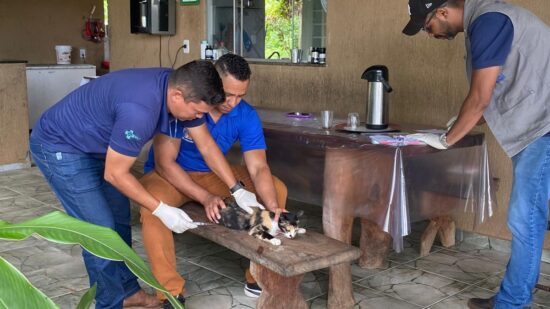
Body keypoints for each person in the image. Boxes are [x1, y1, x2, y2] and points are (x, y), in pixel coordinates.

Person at [29, 60, 263, 309]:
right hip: (61, 148)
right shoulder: (139, 110)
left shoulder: (182, 91)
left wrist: (236, 189)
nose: (199, 119)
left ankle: (128, 293)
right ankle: (109, 304)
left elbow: (206, 145)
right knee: (100, 230)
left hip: (99, 148)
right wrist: (162, 209)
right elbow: (116, 174)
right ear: (176, 96)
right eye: (197, 113)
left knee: (119, 221)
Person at [402, 0, 550, 308]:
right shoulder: (484, 21)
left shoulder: (490, 21)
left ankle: (511, 302)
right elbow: (492, 91)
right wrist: (461, 122)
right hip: (536, 129)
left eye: (428, 27)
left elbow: (480, 97)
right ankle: (516, 292)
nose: (430, 35)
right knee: (533, 217)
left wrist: (447, 139)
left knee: (525, 218)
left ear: (442, 12)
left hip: (543, 129)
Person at [139, 53, 287, 307]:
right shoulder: (188, 103)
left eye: (241, 96)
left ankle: (256, 277)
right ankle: (169, 292)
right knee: (152, 208)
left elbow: (258, 166)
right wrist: (205, 197)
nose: (233, 102)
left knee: (275, 188)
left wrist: (272, 206)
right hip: (171, 176)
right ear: (212, 84)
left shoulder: (245, 114)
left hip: (213, 176)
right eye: (228, 94)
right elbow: (166, 163)